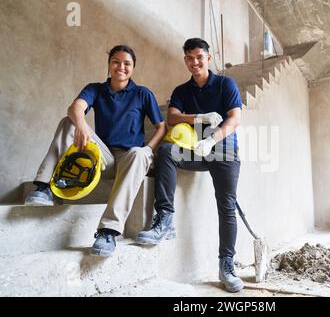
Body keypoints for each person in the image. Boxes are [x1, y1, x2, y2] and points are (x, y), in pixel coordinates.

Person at [24, 45, 166, 257]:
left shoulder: (142, 93)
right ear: (109, 65)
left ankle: (108, 230)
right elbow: (75, 108)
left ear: (133, 68)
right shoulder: (96, 89)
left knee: (140, 153)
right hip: (103, 158)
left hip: (130, 158)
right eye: (116, 61)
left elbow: (161, 127)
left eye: (127, 63)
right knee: (68, 121)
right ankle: (44, 186)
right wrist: (81, 124)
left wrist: (148, 148)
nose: (121, 67)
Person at [135, 38, 244, 292]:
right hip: (195, 151)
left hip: (224, 152)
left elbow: (235, 118)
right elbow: (171, 117)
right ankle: (164, 219)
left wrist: (213, 138)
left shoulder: (225, 84)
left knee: (226, 206)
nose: (194, 62)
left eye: (199, 57)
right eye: (189, 58)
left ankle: (226, 264)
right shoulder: (182, 90)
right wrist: (199, 117)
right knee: (166, 150)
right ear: (185, 60)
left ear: (208, 57)